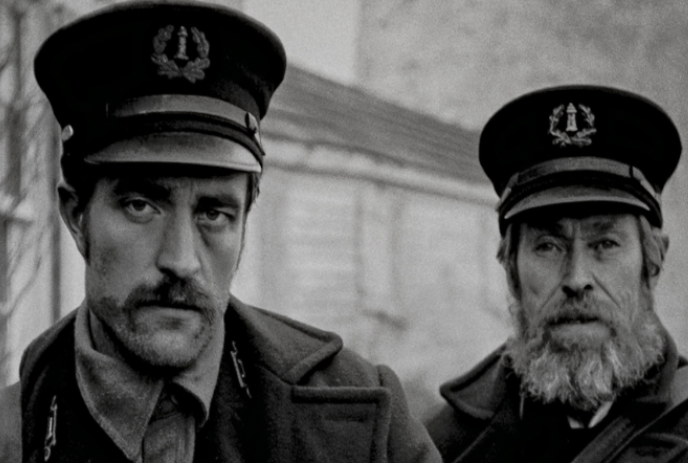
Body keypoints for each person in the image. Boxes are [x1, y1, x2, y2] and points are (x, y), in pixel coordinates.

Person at [0, 2, 440, 462]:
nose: (181, 259)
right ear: (76, 215)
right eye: (140, 205)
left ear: (246, 220)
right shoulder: (13, 438)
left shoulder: (362, 427)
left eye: (213, 213)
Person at [425, 85, 688, 463]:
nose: (577, 278)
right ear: (510, 268)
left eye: (605, 244)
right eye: (548, 246)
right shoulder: (445, 445)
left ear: (653, 262)